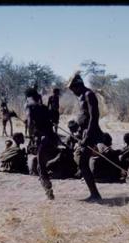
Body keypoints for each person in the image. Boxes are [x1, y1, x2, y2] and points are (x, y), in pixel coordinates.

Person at [67, 71, 104, 201]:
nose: (73, 92)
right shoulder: (82, 95)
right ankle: (94, 193)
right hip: (84, 132)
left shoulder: (89, 95)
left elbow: (94, 116)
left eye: (73, 89)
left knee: (82, 162)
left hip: (90, 133)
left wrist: (88, 134)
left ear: (79, 85)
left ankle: (95, 194)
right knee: (82, 163)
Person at [25, 87, 58, 200]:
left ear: (28, 98)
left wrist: (30, 136)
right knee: (42, 164)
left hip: (42, 139)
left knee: (40, 166)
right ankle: (48, 190)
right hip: (52, 139)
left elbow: (29, 123)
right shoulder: (43, 108)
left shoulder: (30, 107)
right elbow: (51, 121)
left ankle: (49, 192)